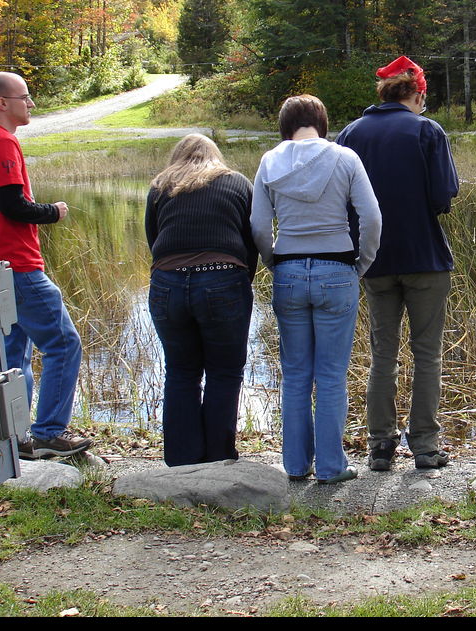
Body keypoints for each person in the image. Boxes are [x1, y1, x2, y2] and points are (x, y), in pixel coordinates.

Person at [335, 56, 459, 471]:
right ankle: (425, 446)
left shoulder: (351, 133)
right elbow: (444, 196)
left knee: (382, 356)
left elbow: (341, 201)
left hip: (374, 260)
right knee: (428, 355)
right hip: (425, 257)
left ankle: (380, 447)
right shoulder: (427, 131)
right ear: (417, 94)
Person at [0, 71, 91, 460]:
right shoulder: (1, 141)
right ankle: (49, 433)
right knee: (64, 344)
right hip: (17, 265)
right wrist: (54, 211)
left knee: (13, 356)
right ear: (2, 103)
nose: (31, 103)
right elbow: (12, 205)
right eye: (25, 97)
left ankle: (15, 437)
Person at [251, 95, 382, 484]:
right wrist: (362, 262)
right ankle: (330, 467)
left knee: (294, 375)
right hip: (337, 269)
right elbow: (372, 218)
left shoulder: (269, 162)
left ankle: (295, 465)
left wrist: (273, 259)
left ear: (285, 125)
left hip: (288, 269)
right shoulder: (345, 158)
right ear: (322, 123)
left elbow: (259, 225)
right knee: (330, 375)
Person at [144, 134, 259, 467]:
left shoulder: (160, 186)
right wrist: (240, 283)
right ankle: (219, 458)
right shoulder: (237, 183)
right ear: (216, 156)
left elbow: (154, 241)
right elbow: (251, 241)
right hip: (223, 278)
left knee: (181, 372)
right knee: (224, 372)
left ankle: (182, 461)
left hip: (167, 283)